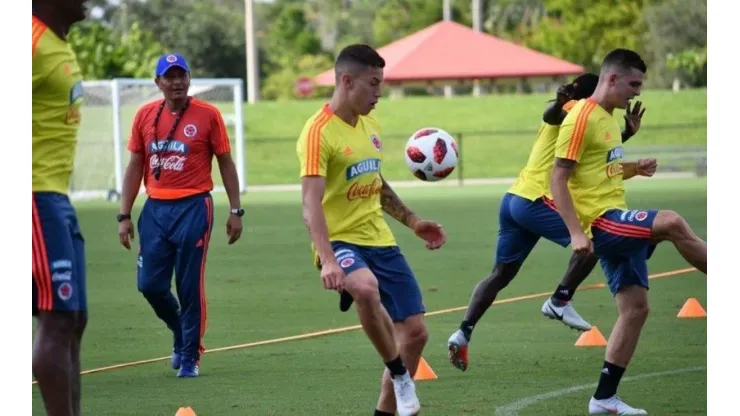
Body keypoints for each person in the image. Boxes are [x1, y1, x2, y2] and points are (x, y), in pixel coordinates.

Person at [446, 73, 646, 372]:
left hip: (514, 199)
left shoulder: (584, 121)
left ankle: (462, 332)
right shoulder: (573, 112)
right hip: (536, 201)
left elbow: (597, 163)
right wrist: (560, 103)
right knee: (594, 240)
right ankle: (559, 300)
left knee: (501, 274)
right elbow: (552, 114)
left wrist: (626, 135)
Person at [549, 48, 707, 414]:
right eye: (633, 84)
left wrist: (634, 167)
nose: (637, 92)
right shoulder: (581, 118)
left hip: (615, 215)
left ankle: (603, 398)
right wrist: (576, 232)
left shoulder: (607, 118)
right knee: (671, 221)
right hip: (600, 222)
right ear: (612, 78)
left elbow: (600, 170)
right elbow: (559, 178)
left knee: (635, 310)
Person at [296, 44, 447, 416]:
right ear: (347, 81)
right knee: (365, 288)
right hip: (339, 240)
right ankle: (398, 373)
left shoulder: (371, 126)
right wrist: (328, 261)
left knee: (416, 333)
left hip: (378, 238)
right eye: (373, 84)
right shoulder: (318, 133)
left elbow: (375, 182)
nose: (379, 93)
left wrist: (413, 221)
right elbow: (309, 204)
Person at [117, 53, 244, 378]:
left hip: (194, 207)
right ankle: (180, 332)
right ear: (157, 82)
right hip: (155, 209)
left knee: (189, 286)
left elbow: (226, 163)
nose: (176, 82)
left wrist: (235, 210)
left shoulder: (208, 115)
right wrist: (124, 214)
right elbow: (135, 166)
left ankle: (190, 356)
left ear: (189, 79)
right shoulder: (145, 115)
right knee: (149, 285)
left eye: (181, 75)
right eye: (169, 76)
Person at [32, 1, 89, 415]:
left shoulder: (57, 42)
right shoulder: (27, 40)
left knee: (74, 319)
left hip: (57, 201)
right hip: (32, 197)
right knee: (56, 320)